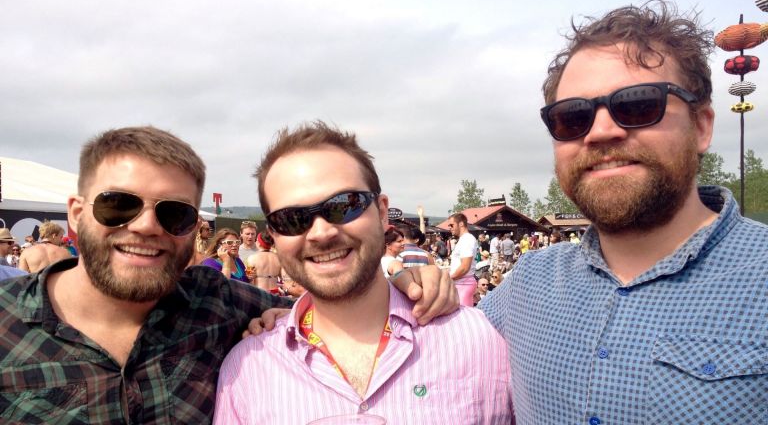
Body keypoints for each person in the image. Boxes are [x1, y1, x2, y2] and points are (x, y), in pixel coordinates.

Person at [0, 127, 457, 423]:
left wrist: (407, 281)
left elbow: (330, 301)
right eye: (118, 205)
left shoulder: (216, 303)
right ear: (76, 214)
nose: (146, 226)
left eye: (174, 213)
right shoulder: (7, 326)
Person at [479, 0, 768, 424]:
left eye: (637, 105)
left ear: (702, 126)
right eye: (572, 117)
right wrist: (412, 285)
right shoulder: (529, 283)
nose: (600, 132)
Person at [214, 121, 511, 424]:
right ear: (274, 234)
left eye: (344, 205)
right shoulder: (247, 373)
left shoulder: (480, 340)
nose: (321, 233)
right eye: (291, 219)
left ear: (381, 212)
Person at [447, 213, 478, 306]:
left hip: (464, 283)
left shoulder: (467, 239)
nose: (450, 228)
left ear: (461, 224)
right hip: (461, 283)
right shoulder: (464, 239)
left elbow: (464, 267)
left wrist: (448, 278)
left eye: (451, 225)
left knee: (463, 313)